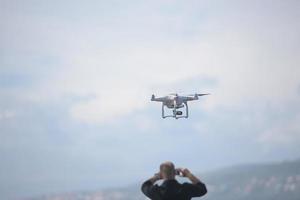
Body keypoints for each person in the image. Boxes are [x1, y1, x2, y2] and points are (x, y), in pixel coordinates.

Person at [141, 161, 207, 200]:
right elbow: (203, 189)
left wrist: (156, 177)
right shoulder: (186, 189)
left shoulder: (156, 192)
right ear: (175, 172)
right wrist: (189, 175)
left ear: (161, 173)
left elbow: (144, 186)